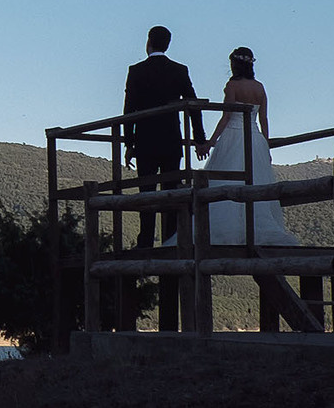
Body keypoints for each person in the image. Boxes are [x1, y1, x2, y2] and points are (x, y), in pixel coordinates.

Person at [122, 26, 201, 326]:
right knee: (172, 191)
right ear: (167, 44)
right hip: (171, 140)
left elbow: (129, 108)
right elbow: (192, 106)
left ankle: (145, 240)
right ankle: (170, 238)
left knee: (146, 192)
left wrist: (128, 142)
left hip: (145, 140)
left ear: (148, 43)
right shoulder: (180, 70)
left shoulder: (136, 71)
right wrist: (199, 137)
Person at [182, 46, 298, 247]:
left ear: (234, 65)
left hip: (234, 135)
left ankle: (225, 230)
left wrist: (211, 141)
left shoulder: (232, 86)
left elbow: (226, 117)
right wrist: (265, 143)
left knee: (225, 181)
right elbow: (263, 118)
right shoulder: (260, 87)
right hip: (255, 137)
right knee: (256, 180)